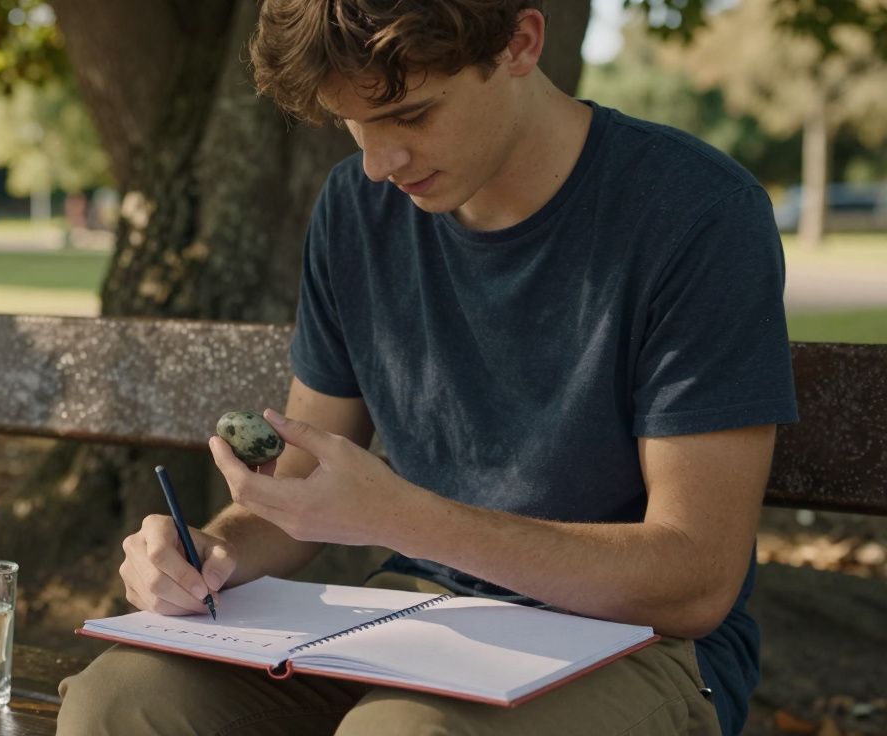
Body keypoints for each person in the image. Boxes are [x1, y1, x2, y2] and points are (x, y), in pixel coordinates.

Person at [58, 2, 797, 734]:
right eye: (355, 122)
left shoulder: (695, 212)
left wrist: (402, 515)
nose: (380, 164)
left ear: (521, 43)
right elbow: (297, 499)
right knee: (116, 702)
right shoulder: (355, 211)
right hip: (412, 617)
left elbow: (695, 580)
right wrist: (213, 552)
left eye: (411, 116)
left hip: (639, 644)